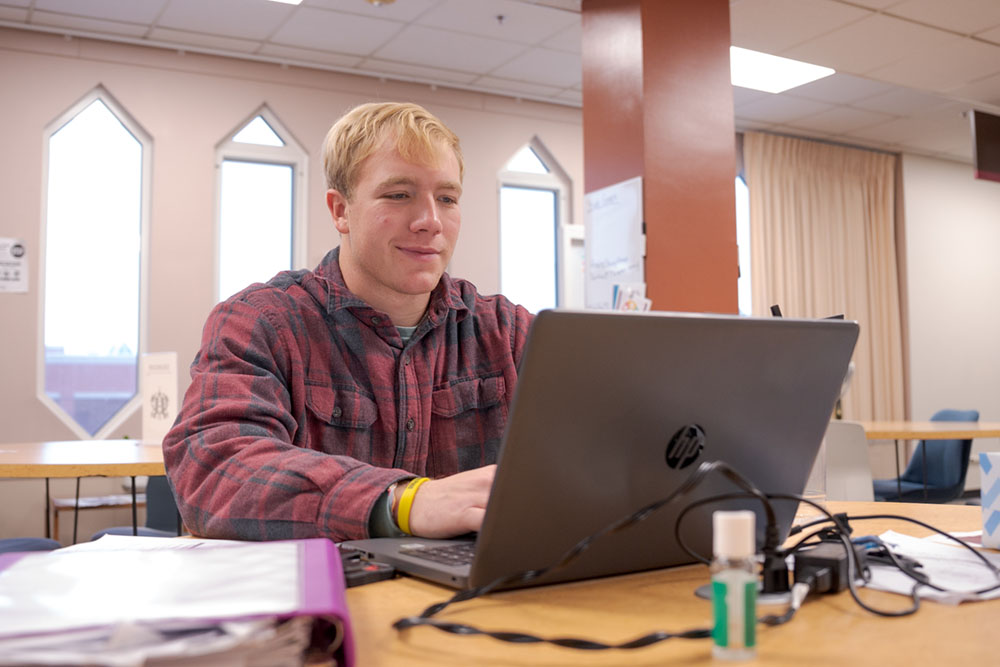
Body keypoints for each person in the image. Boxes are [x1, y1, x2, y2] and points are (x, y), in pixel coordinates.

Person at [163, 102, 533, 543]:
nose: (430, 222)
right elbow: (214, 469)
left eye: (447, 199)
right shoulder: (262, 322)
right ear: (340, 211)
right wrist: (402, 502)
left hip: (488, 600)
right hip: (323, 599)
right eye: (399, 195)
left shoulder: (507, 332)